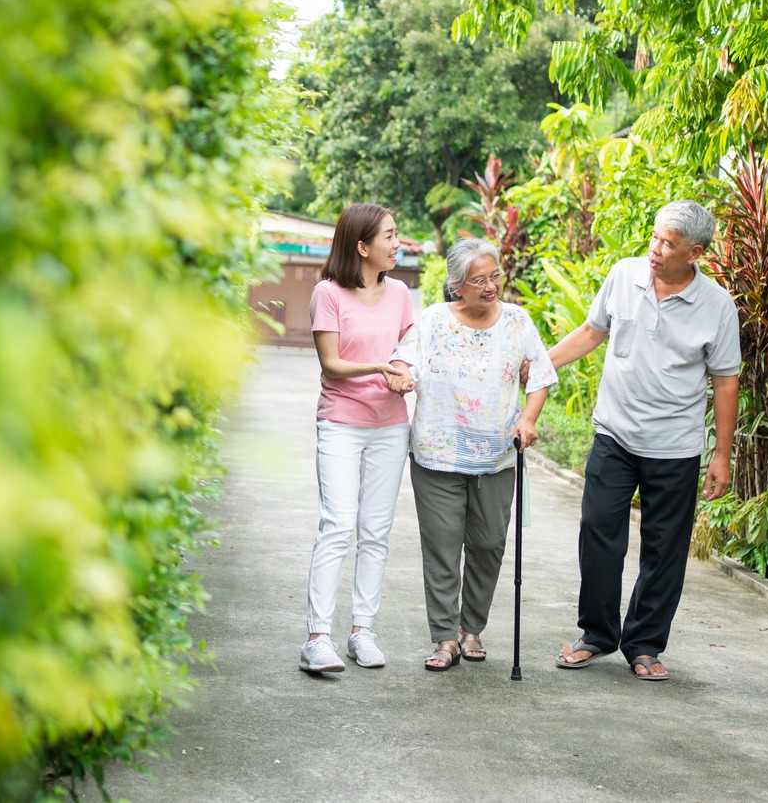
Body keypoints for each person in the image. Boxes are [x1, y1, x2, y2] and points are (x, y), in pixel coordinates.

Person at [549, 199, 741, 681]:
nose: (655, 249)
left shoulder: (716, 306)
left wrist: (721, 455)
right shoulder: (623, 274)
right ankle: (596, 634)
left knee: (665, 550)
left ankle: (645, 645)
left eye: (668, 244)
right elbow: (592, 332)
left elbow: (725, 381)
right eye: (654, 237)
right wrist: (539, 362)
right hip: (614, 433)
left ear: (694, 252)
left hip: (674, 446)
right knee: (598, 533)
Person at [390, 239, 556, 672]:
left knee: (488, 544)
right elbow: (404, 360)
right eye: (478, 280)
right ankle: (445, 637)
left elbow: (539, 374)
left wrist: (529, 419)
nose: (490, 286)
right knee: (443, 547)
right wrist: (403, 376)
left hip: (498, 455)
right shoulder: (431, 321)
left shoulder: (518, 321)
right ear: (457, 287)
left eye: (495, 276)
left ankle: (472, 628)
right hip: (438, 454)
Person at [299, 203, 416, 673]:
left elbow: (409, 346)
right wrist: (379, 366)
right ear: (362, 246)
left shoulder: (402, 292)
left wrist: (404, 369)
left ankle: (362, 631)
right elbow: (331, 362)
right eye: (389, 235)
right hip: (342, 424)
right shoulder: (327, 294)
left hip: (391, 425)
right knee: (338, 525)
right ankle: (317, 638)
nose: (397, 242)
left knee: (376, 531)